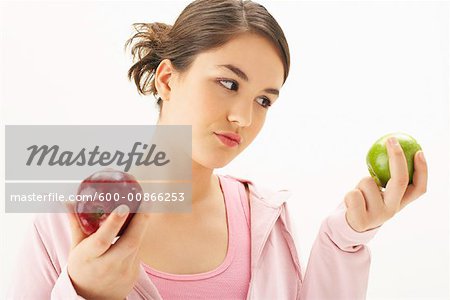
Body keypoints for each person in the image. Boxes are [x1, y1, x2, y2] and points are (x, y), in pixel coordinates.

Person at [7, 0, 428, 299]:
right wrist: (84, 294)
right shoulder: (66, 223)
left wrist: (346, 236)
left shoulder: (264, 219)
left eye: (264, 100)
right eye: (228, 83)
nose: (244, 118)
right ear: (167, 79)